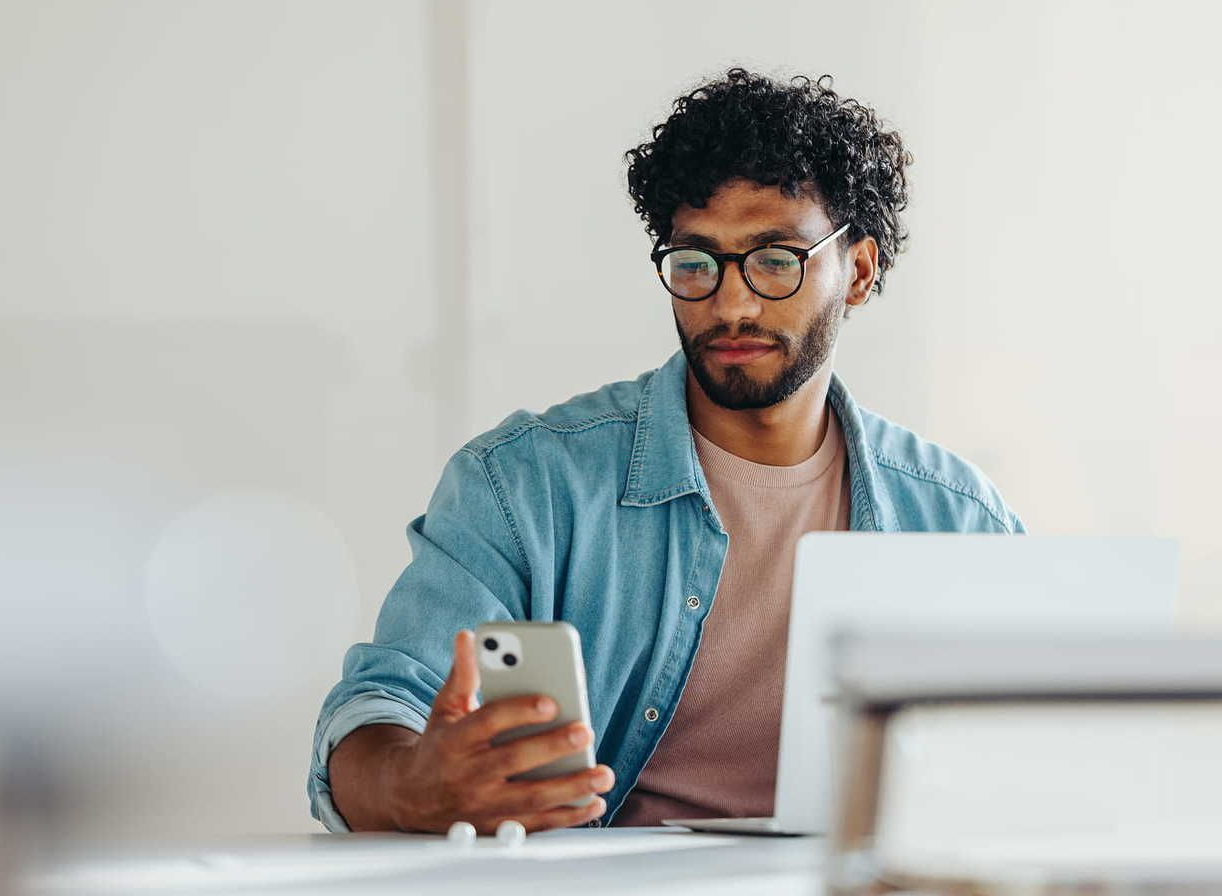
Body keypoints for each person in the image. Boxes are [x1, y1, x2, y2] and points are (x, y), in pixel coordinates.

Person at [309, 68, 1024, 834]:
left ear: (857, 270)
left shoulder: (957, 514)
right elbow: (381, 707)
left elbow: (1032, 755)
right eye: (696, 263)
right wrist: (407, 783)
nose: (732, 303)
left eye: (776, 260)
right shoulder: (526, 485)